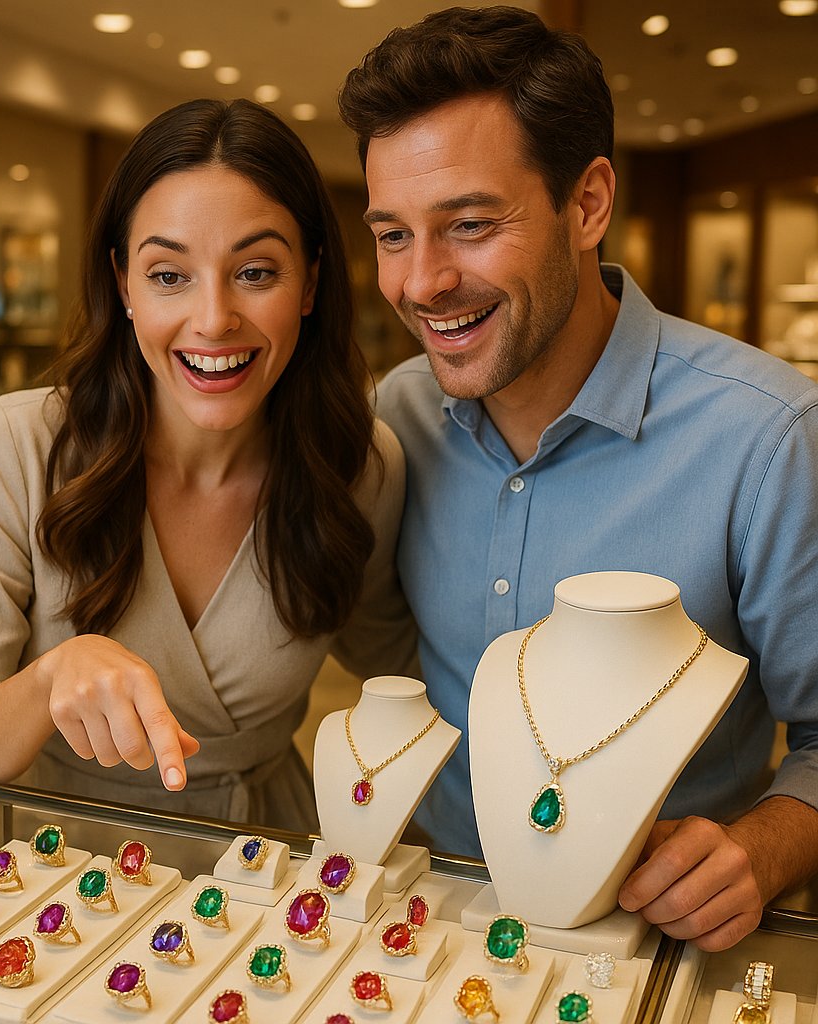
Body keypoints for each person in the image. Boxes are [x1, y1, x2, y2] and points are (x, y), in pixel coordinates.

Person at [338, 6, 818, 950]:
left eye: (470, 224)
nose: (422, 282)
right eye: (393, 234)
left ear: (588, 203)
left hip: (649, 951)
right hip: (433, 927)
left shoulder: (768, 438)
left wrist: (761, 850)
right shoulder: (395, 419)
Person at [0, 98, 415, 831]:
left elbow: (411, 668)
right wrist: (48, 681)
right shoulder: (14, 447)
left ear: (310, 284)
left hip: (262, 877)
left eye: (257, 272)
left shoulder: (361, 465)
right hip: (57, 882)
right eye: (169, 275)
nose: (212, 319)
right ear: (123, 285)